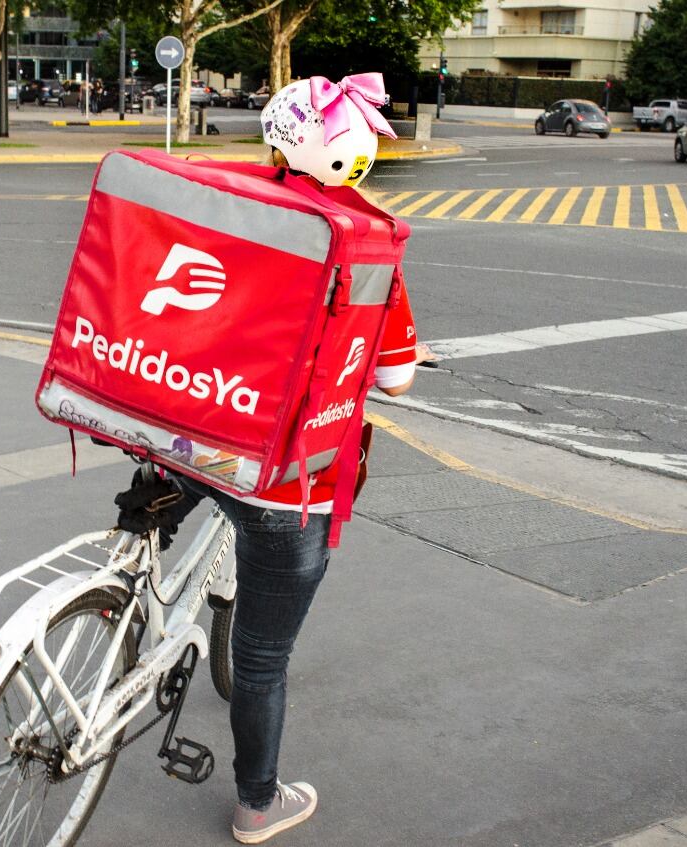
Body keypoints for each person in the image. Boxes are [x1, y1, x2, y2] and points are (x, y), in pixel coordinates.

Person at [115, 73, 432, 844]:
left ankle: (123, 585)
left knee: (176, 480)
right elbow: (394, 376)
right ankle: (258, 802)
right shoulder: (362, 244)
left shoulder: (230, 203)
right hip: (289, 481)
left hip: (194, 425)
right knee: (260, 657)